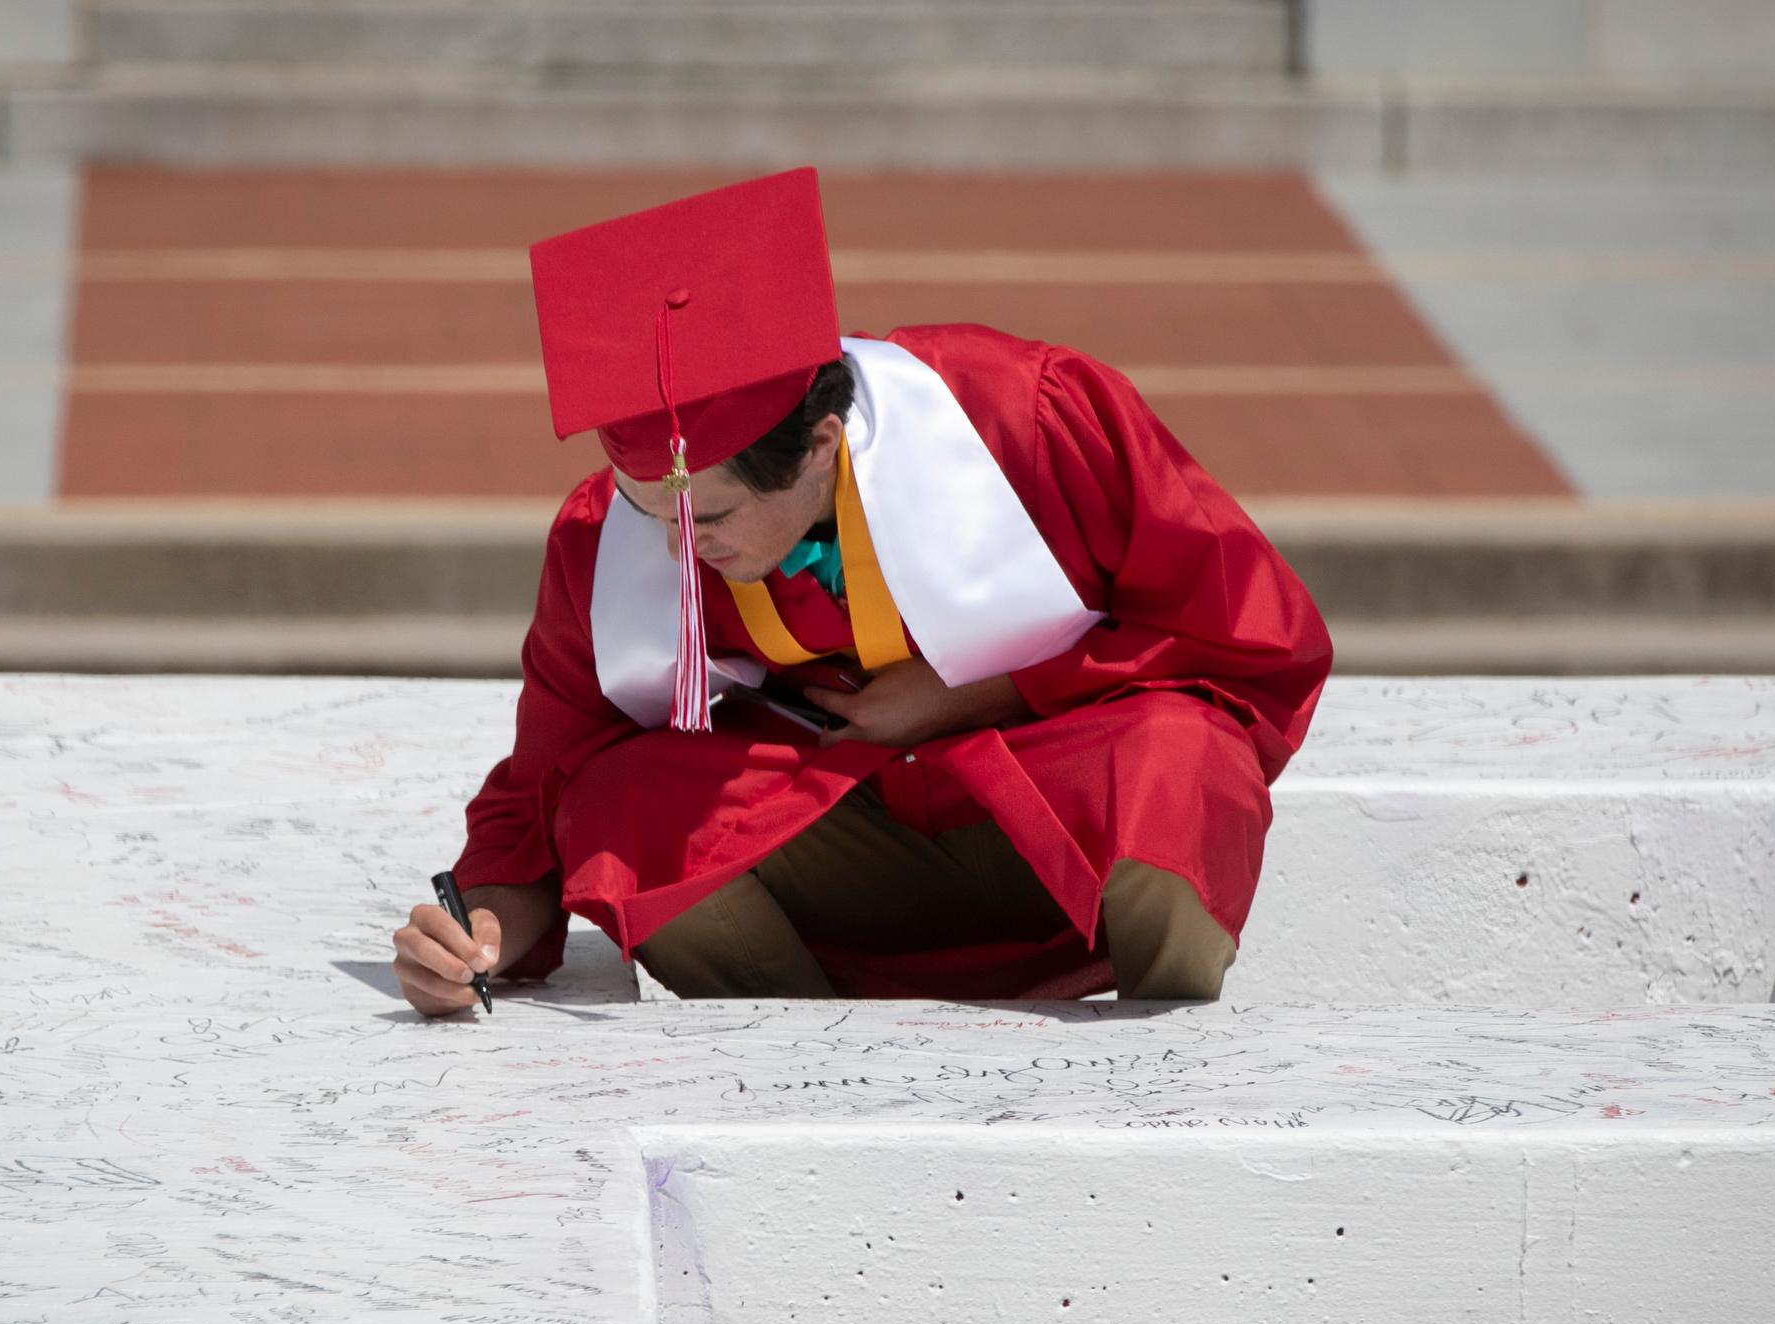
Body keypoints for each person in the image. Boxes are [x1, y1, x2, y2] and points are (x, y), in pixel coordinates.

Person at [395, 168, 1331, 1015]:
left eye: (711, 520)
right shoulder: (612, 535)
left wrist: (979, 695)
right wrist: (474, 940)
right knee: (618, 800)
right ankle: (796, 1052)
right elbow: (540, 786)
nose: (679, 550)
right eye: (655, 514)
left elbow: (1252, 643)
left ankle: (1158, 1057)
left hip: (1049, 834)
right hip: (835, 852)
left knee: (1180, 759)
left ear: (820, 442)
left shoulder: (1028, 422)